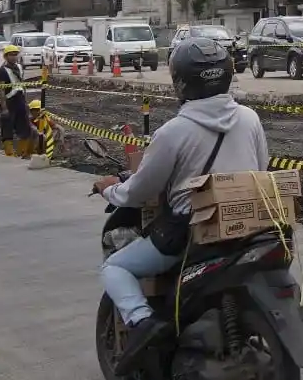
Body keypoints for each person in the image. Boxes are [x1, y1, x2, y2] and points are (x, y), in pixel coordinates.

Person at [93, 37, 269, 372]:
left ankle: (144, 323)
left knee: (114, 267)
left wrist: (110, 191)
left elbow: (139, 190)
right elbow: (261, 170)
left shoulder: (174, 132)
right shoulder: (250, 118)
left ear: (181, 82)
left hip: (192, 236)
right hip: (249, 229)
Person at [0, 44, 35, 158]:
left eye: (15, 54)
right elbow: (1, 90)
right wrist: (4, 108)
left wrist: (25, 102)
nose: (13, 57)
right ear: (6, 57)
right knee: (7, 128)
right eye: (11, 55)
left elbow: (22, 85)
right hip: (8, 101)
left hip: (20, 100)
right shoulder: (1, 71)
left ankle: (22, 152)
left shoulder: (20, 67)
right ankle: (9, 153)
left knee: (24, 127)